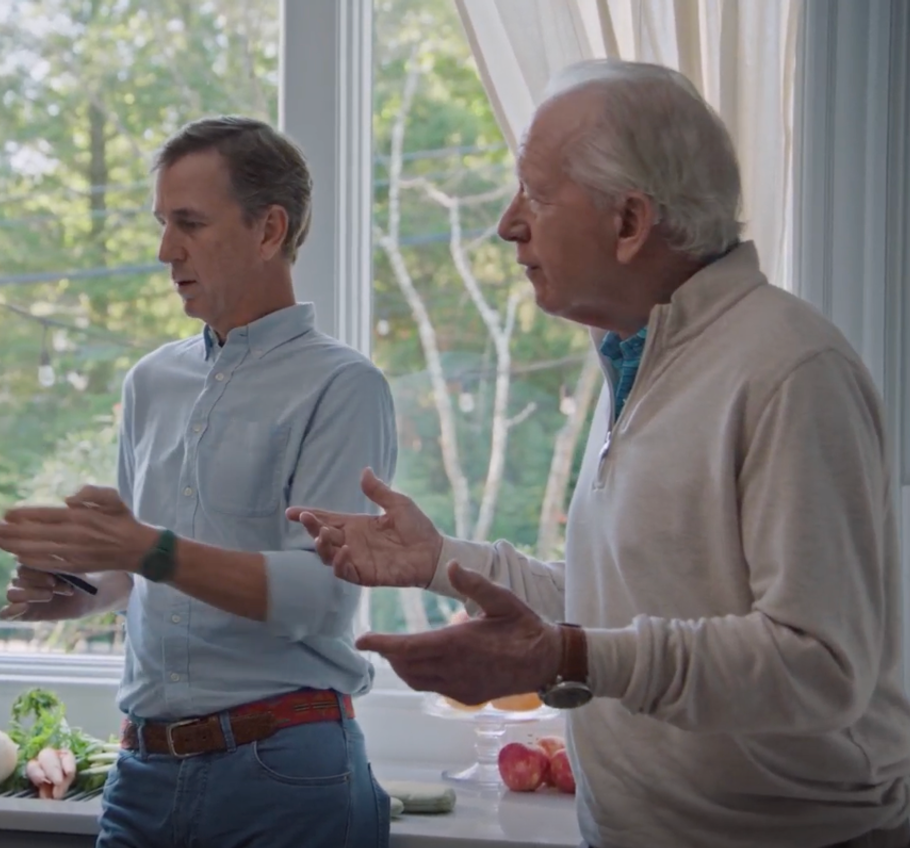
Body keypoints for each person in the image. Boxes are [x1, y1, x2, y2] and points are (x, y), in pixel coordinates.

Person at [288, 59, 910, 848]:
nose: (509, 224)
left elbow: (821, 665)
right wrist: (441, 561)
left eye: (537, 197)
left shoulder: (791, 368)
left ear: (629, 223)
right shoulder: (638, 357)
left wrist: (564, 656)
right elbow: (619, 612)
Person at [0, 116, 397, 848]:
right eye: (161, 222)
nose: (163, 249)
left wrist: (147, 550)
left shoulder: (344, 387)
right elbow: (142, 573)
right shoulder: (152, 381)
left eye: (189, 223)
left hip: (284, 776)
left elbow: (321, 597)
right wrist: (82, 590)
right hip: (142, 775)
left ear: (270, 229)